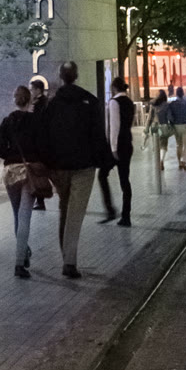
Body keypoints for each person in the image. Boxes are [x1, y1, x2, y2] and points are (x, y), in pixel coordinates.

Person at [39, 59, 111, 278]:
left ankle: (66, 256)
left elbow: (44, 136)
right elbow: (98, 135)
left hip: (59, 167)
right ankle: (69, 261)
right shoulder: (89, 101)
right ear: (77, 75)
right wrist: (104, 161)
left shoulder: (51, 104)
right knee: (75, 213)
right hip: (84, 166)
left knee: (65, 207)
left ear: (61, 77)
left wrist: (47, 164)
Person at [0, 84, 46, 279]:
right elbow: (43, 147)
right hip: (29, 171)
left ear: (15, 100)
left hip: (11, 172)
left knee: (17, 214)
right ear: (29, 100)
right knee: (25, 217)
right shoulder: (35, 121)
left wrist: (10, 155)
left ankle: (23, 251)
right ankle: (19, 263)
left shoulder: (8, 121)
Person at [102, 76, 135, 226]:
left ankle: (110, 210)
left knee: (102, 175)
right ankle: (126, 215)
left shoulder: (114, 102)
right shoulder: (129, 102)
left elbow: (114, 126)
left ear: (114, 88)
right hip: (128, 144)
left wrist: (113, 148)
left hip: (116, 147)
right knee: (124, 180)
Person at [165, 83, 186, 171]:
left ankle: (179, 162)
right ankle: (184, 161)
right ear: (183, 94)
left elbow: (169, 114)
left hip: (176, 126)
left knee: (179, 145)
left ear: (176, 94)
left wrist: (171, 122)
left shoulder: (172, 104)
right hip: (185, 126)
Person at [29, 75, 50, 211]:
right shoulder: (47, 102)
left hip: (39, 143)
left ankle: (40, 200)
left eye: (32, 89)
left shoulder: (38, 104)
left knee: (39, 172)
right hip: (46, 142)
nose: (31, 92)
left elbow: (35, 123)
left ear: (38, 90)